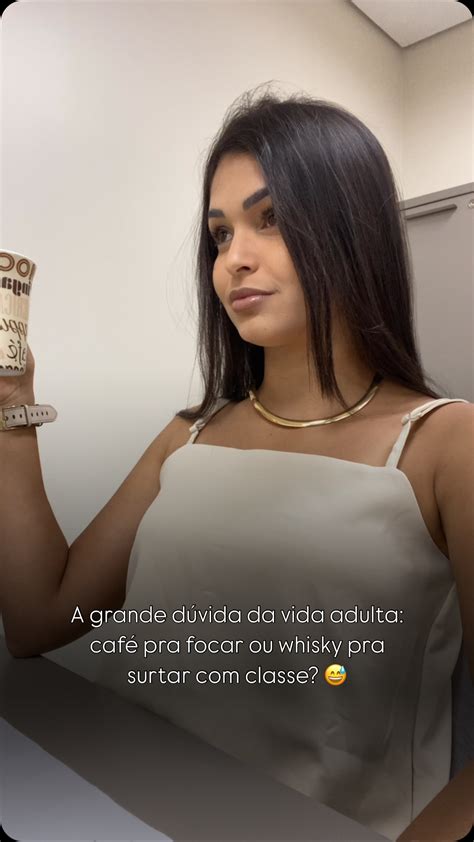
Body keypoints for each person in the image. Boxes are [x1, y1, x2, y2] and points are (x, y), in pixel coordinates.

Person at [1, 86, 473, 841]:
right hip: (110, 807)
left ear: (353, 230)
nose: (233, 261)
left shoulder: (446, 443)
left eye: (271, 219)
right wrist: (12, 404)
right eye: (219, 235)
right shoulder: (188, 435)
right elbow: (39, 619)